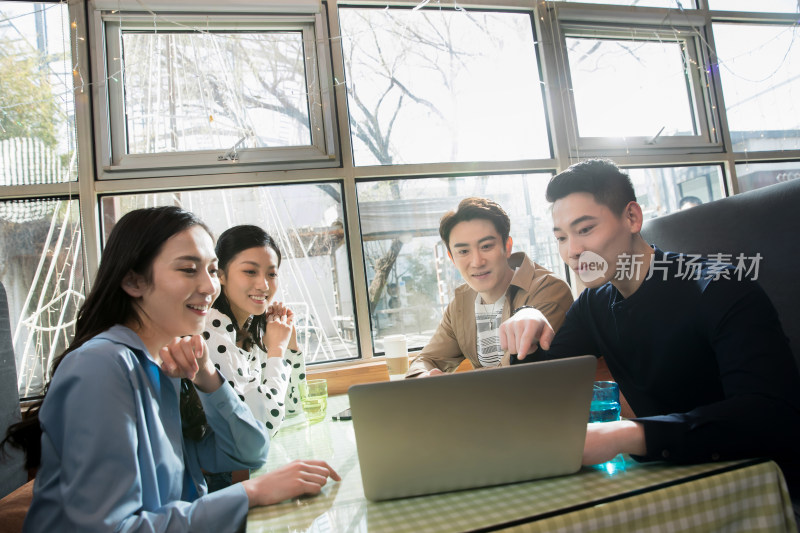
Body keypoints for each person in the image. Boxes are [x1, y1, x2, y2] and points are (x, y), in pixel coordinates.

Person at [3, 206, 339, 532]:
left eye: (211, 270)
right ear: (134, 282)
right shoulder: (101, 367)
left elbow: (251, 451)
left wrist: (208, 378)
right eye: (189, 269)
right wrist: (250, 493)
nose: (210, 287)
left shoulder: (167, 366)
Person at [504, 159, 800, 494]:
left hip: (761, 484)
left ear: (632, 217)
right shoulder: (593, 304)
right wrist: (528, 319)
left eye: (585, 229)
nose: (572, 252)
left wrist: (627, 433)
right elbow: (542, 391)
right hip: (672, 482)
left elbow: (771, 414)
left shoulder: (719, 285)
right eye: (560, 237)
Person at [406, 197, 574, 377]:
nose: (477, 262)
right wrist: (424, 379)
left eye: (486, 246)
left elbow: (513, 375)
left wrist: (448, 385)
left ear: (507, 246)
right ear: (451, 257)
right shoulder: (460, 305)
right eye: (463, 251)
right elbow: (426, 360)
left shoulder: (548, 289)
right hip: (485, 403)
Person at [200, 225, 306, 491]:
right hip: (217, 482)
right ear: (220, 275)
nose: (264, 285)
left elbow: (293, 407)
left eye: (272, 274)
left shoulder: (247, 329)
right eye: (250, 272)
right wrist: (277, 351)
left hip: (246, 470)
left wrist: (289, 344)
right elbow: (265, 426)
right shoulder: (211, 330)